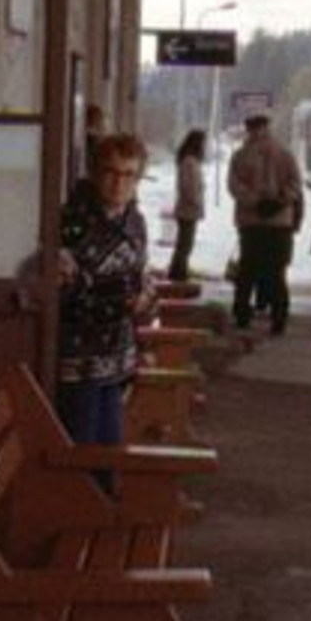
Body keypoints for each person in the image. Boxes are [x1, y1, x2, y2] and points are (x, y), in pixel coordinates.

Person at [56, 132, 154, 457]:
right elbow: (63, 290)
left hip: (118, 356)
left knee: (110, 452)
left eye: (128, 175)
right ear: (96, 173)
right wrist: (113, 295)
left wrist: (143, 298)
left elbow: (142, 276)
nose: (119, 184)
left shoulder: (135, 222)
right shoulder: (71, 222)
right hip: (79, 357)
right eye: (111, 172)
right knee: (81, 452)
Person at [227, 113, 304, 335]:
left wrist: (254, 201)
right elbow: (295, 185)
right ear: (268, 127)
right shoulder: (285, 153)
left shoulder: (240, 156)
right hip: (279, 224)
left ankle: (242, 314)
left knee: (247, 270)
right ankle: (279, 317)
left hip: (251, 223)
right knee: (276, 272)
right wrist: (279, 202)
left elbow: (233, 186)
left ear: (249, 129)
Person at [167, 130, 206, 281]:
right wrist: (196, 201)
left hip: (187, 208)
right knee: (185, 244)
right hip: (188, 209)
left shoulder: (188, 160)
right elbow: (188, 187)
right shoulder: (189, 162)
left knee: (184, 243)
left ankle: (178, 270)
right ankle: (178, 272)